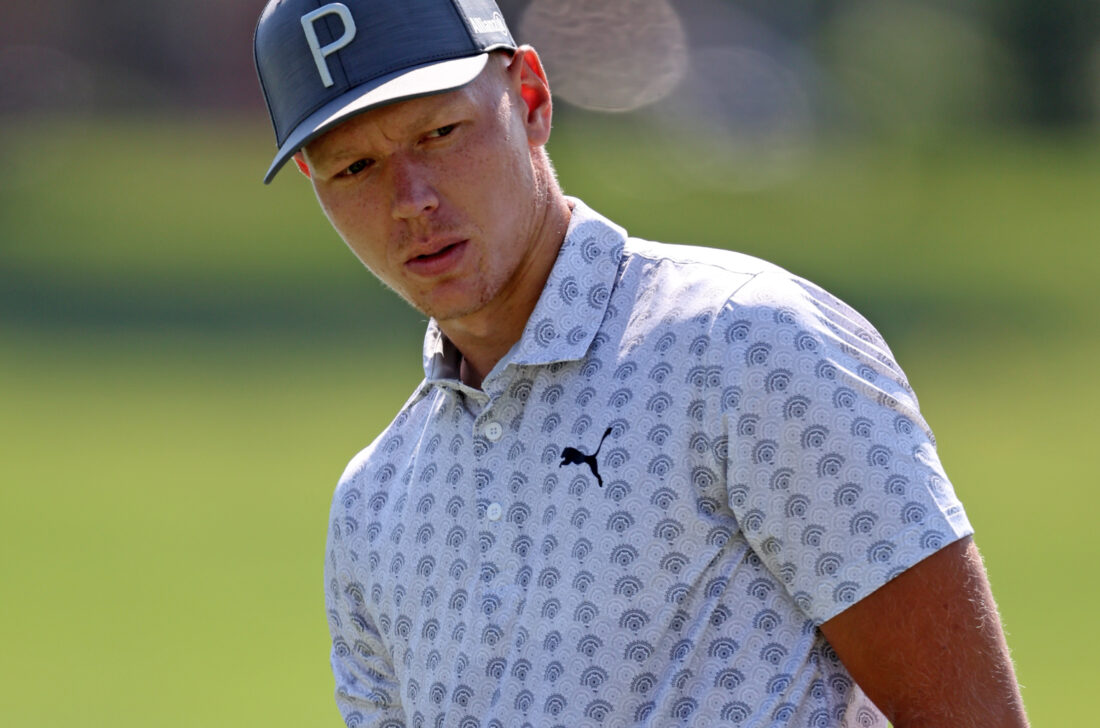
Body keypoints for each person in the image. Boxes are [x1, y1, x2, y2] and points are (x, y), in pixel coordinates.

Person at [253, 1, 1029, 726]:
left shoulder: (748, 345)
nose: (409, 199)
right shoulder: (373, 501)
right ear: (313, 185)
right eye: (354, 168)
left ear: (529, 99)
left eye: (441, 133)